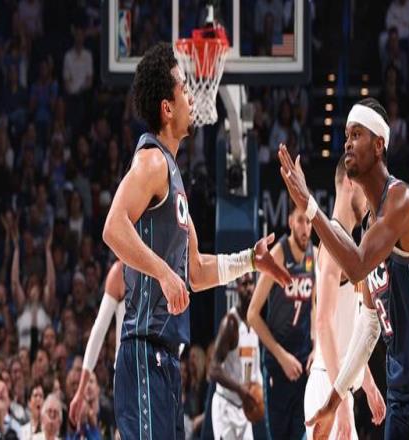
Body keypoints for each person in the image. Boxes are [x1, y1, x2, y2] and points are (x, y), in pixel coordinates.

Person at [102, 42, 290, 440]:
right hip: (143, 351)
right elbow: (113, 227)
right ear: (167, 108)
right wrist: (163, 273)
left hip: (168, 360)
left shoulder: (174, 176)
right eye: (184, 88)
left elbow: (197, 270)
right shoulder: (151, 160)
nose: (191, 96)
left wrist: (250, 260)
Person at [278, 97, 409, 439]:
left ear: (379, 146)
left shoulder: (401, 200)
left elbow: (358, 266)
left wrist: (309, 205)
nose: (347, 143)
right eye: (346, 135)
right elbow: (368, 324)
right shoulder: (365, 231)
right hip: (399, 391)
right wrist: (335, 400)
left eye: (356, 134)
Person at [303, 155, 385, 439]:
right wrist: (338, 404)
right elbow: (323, 324)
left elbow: (350, 332)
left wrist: (368, 384)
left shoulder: (347, 243)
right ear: (350, 182)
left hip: (338, 386)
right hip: (328, 385)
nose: (369, 197)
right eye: (366, 185)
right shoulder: (332, 243)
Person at [247, 202, 316, 440]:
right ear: (290, 222)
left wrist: (316, 347)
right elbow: (252, 314)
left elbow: (315, 306)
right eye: (300, 220)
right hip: (279, 363)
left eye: (309, 221)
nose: (305, 228)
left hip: (303, 362)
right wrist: (281, 356)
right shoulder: (278, 253)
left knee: (303, 433)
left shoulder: (314, 254)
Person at [68, 260, 125, 426]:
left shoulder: (162, 265)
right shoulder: (119, 272)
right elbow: (97, 334)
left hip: (157, 368)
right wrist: (80, 391)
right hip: (127, 371)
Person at [209, 273, 261, 440]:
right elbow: (213, 370)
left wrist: (258, 392)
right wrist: (240, 389)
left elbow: (255, 368)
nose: (249, 288)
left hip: (243, 408)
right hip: (225, 407)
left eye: (251, 283)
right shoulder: (231, 323)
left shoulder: (255, 322)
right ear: (237, 288)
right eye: (244, 284)